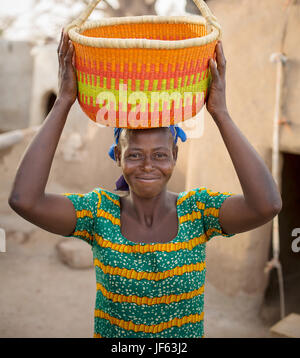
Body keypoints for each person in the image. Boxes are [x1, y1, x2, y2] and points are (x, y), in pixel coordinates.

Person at [8, 30, 282, 339]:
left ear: (174, 156)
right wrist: (64, 101)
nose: (148, 165)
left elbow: (267, 205)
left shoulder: (198, 211)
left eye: (160, 154)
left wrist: (221, 113)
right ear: (118, 158)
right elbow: (24, 200)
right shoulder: (99, 213)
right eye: (135, 154)